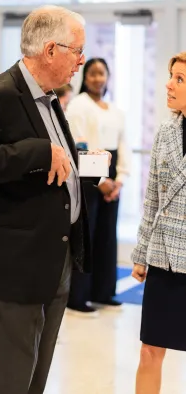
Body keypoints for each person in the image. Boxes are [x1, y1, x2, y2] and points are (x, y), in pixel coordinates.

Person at [0, 5, 108, 394]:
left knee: (33, 381)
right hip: (12, 269)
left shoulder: (51, 98)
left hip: (52, 261)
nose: (82, 61)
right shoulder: (0, 94)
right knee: (8, 382)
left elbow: (55, 166)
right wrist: (36, 152)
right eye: (77, 50)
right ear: (51, 50)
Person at [131, 51, 186, 394]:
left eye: (179, 79)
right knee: (150, 351)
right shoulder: (166, 132)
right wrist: (141, 252)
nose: (168, 84)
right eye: (171, 76)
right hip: (164, 259)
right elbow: (152, 197)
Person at [65, 58, 130, 316]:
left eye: (101, 73)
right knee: (87, 237)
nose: (97, 78)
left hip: (112, 175)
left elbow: (123, 145)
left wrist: (119, 181)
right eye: (92, 74)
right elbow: (79, 146)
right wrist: (101, 181)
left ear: (108, 76)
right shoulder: (77, 106)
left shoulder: (116, 111)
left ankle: (104, 292)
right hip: (88, 174)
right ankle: (78, 297)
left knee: (107, 236)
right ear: (85, 77)